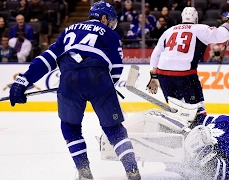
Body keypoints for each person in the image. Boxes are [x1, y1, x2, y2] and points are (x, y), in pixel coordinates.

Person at [8, 1, 141, 180]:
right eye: (110, 21)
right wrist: (106, 86)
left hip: (69, 78)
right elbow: (116, 69)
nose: (111, 25)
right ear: (103, 18)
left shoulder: (69, 30)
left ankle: (84, 172)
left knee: (70, 127)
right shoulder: (111, 34)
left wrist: (24, 81)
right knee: (114, 129)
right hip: (99, 78)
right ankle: (132, 170)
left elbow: (47, 58)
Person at [98, 97, 229, 179]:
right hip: (189, 138)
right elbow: (202, 121)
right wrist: (190, 114)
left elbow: (218, 175)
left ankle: (115, 144)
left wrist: (202, 152)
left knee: (158, 145)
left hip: (193, 166)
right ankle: (122, 131)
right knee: (157, 118)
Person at [146, 7, 229, 115]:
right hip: (184, 74)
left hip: (163, 74)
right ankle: (198, 127)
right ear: (196, 18)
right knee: (197, 109)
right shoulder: (199, 29)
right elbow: (222, 35)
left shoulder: (169, 31)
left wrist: (154, 76)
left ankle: (177, 126)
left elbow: (156, 54)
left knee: (176, 107)